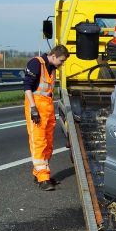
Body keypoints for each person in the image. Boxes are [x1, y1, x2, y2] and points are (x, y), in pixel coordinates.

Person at [23, 45, 69, 191]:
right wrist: (33, 108)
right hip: (37, 107)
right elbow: (27, 87)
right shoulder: (36, 63)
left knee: (48, 143)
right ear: (54, 56)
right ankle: (43, 179)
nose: (62, 64)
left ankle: (41, 175)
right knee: (39, 143)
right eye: (61, 61)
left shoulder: (52, 68)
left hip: (47, 108)